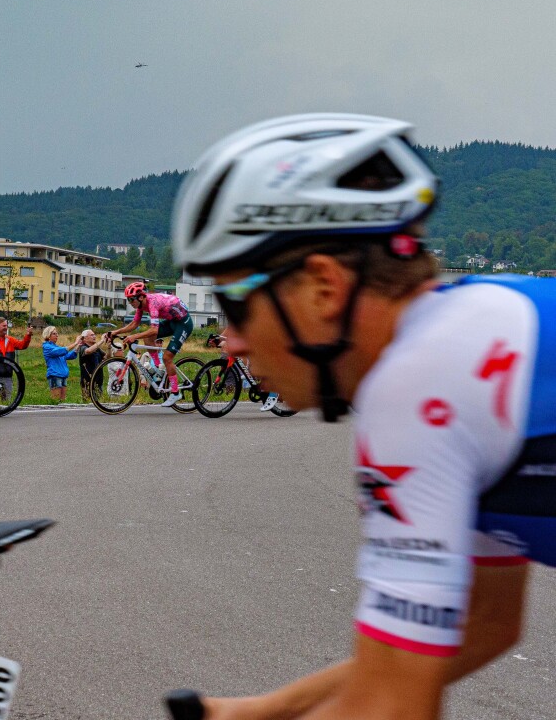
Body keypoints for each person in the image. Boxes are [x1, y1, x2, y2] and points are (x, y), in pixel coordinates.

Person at [170, 112, 556, 720]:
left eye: (234, 305)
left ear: (324, 285)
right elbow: (485, 623)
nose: (232, 343)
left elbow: (390, 707)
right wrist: (260, 711)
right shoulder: (466, 336)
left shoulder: (418, 383)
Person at [107, 282, 194, 407]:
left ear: (141, 297)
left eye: (131, 299)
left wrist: (134, 336)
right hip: (172, 321)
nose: (130, 302)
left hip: (183, 323)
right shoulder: (141, 306)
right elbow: (134, 324)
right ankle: (158, 370)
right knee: (148, 338)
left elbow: (154, 329)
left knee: (167, 357)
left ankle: (175, 393)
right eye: (128, 300)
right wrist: (115, 332)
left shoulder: (152, 302)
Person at [41, 325, 81, 402]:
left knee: (62, 401)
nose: (57, 335)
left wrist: (78, 347)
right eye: (54, 334)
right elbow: (61, 351)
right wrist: (75, 343)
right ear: (48, 335)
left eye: (57, 333)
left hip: (63, 376)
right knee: (56, 401)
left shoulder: (56, 347)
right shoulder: (47, 347)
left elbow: (69, 355)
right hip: (55, 375)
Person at [76, 329, 107, 401]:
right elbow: (88, 351)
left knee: (99, 404)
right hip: (87, 381)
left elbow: (107, 357)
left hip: (98, 381)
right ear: (85, 338)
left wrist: (109, 346)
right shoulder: (82, 347)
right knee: (88, 403)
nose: (94, 336)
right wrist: (102, 340)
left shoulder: (97, 348)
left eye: (94, 334)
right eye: (92, 335)